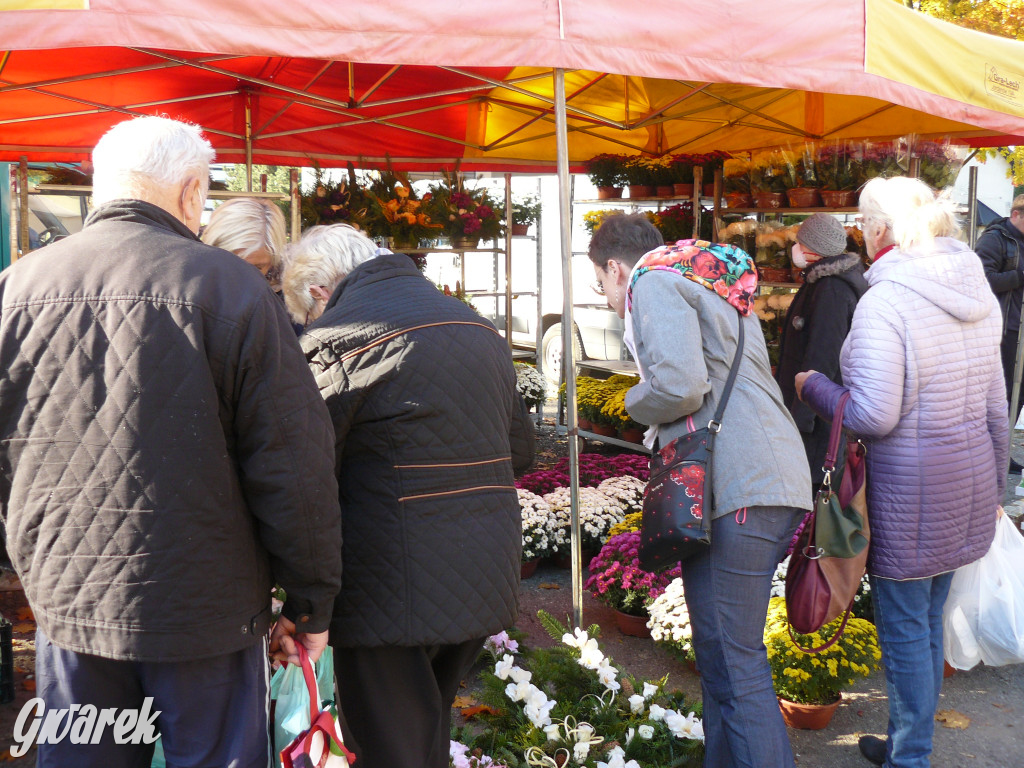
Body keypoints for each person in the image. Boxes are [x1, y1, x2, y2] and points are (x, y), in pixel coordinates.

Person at [0, 116, 342, 767]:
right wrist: (311, 602)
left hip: (71, 606)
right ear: (190, 191)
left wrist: (33, 560)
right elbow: (295, 467)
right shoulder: (232, 290)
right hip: (204, 617)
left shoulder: (15, 291)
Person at [282, 223, 535, 768]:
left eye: (305, 312)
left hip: (387, 586)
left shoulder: (335, 339)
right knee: (423, 736)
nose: (308, 324)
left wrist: (306, 606)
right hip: (482, 568)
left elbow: (306, 482)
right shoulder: (478, 326)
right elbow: (522, 452)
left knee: (391, 747)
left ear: (321, 292)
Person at [796, 176, 1006, 768]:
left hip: (910, 494)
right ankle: (907, 742)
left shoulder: (886, 299)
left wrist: (815, 386)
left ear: (883, 228)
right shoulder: (978, 291)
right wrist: (992, 488)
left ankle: (909, 757)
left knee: (907, 630)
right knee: (927, 621)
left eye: (864, 223)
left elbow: (872, 413)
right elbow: (997, 403)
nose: (862, 234)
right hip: (964, 485)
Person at [588, 214, 811, 768]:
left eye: (602, 285)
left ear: (617, 268)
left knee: (734, 662)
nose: (610, 299)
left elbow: (680, 385)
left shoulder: (653, 281)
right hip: (760, 475)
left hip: (740, 482)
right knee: (718, 655)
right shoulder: (705, 280)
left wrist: (633, 400)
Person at [775, 213, 868, 485]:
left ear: (812, 248)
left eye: (799, 242)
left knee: (811, 486)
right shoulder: (824, 282)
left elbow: (823, 356)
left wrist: (801, 418)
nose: (795, 248)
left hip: (816, 416)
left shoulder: (831, 288)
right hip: (818, 407)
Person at [976, 194, 1024, 442]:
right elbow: (981, 280)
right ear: (1016, 215)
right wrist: (1019, 276)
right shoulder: (995, 239)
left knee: (1019, 393)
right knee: (1002, 392)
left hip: (1021, 328)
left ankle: (1003, 445)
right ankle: (990, 444)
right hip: (1005, 329)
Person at [201, 196, 287, 286]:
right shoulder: (192, 288)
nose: (242, 278)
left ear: (272, 264)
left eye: (256, 268)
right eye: (232, 266)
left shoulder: (288, 294)